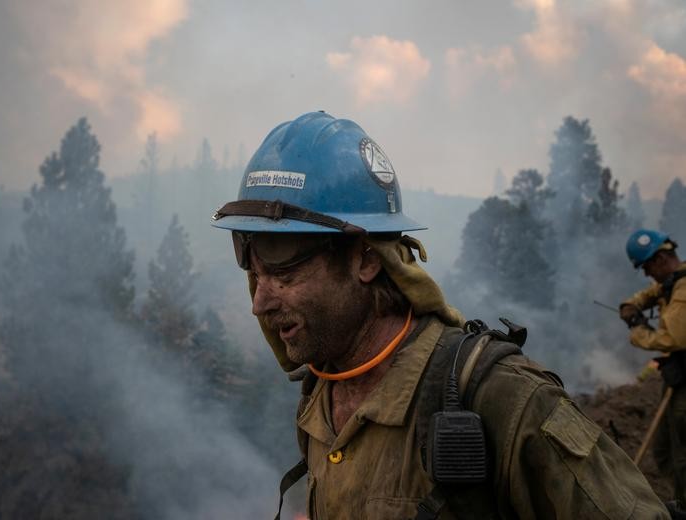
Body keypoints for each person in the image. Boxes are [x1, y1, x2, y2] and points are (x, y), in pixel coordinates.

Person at [212, 111, 668, 519]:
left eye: (285, 270)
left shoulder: (500, 399)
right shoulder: (321, 393)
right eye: (252, 269)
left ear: (366, 260)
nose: (260, 302)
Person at [621, 229, 686, 509]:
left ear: (660, 259)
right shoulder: (672, 282)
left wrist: (638, 330)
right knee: (663, 449)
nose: (648, 275)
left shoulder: (683, 290)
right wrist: (633, 304)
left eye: (647, 267)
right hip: (677, 376)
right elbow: (654, 291)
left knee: (682, 451)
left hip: (685, 380)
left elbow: (674, 338)